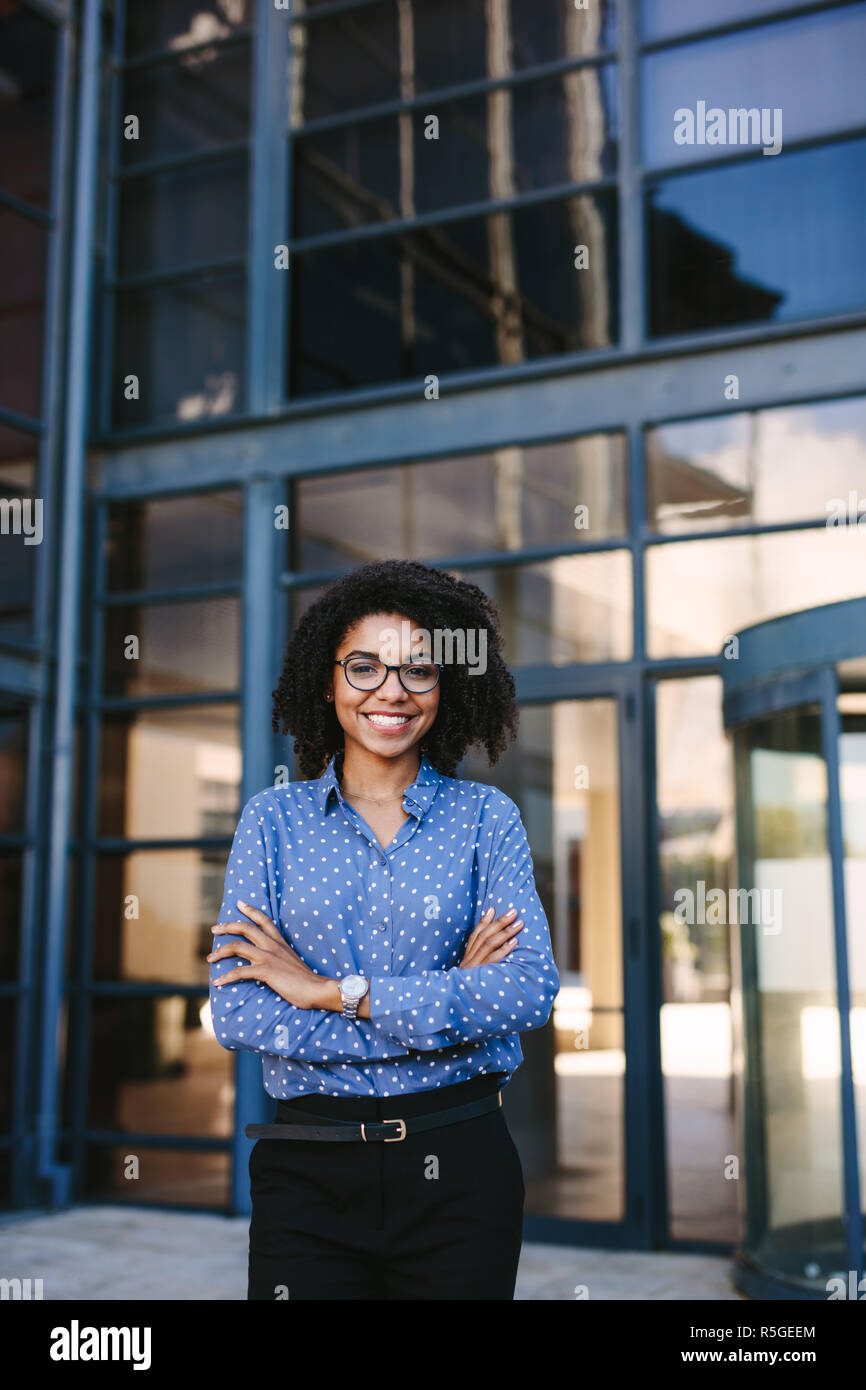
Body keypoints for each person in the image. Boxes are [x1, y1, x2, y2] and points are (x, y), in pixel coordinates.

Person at [207, 558, 559, 1300]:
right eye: (364, 667)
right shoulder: (271, 823)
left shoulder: (486, 821)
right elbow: (240, 1012)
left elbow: (527, 991)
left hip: (461, 1169)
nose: (390, 691)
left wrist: (328, 991)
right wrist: (452, 1001)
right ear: (327, 680)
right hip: (307, 1174)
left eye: (418, 671)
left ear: (447, 687)